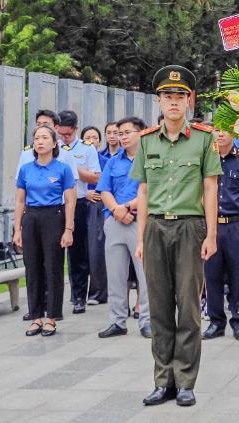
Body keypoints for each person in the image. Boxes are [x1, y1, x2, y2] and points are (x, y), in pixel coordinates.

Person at [133, 66, 221, 408]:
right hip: (156, 227)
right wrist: (141, 237)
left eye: (180, 96)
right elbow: (142, 191)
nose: (173, 102)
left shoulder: (204, 139)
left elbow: (210, 187)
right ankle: (162, 380)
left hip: (189, 227)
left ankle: (185, 381)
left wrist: (211, 234)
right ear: (159, 100)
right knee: (158, 308)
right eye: (168, 96)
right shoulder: (146, 141)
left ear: (189, 101)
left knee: (188, 308)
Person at [13, 125, 77, 337]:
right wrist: (17, 229)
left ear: (53, 143)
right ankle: (36, 317)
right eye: (36, 138)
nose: (40, 142)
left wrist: (68, 228)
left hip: (54, 217)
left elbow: (69, 201)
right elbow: (20, 201)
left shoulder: (62, 169)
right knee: (32, 268)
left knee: (53, 267)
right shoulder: (26, 169)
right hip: (31, 218)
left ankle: (52, 317)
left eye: (44, 138)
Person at [96, 116, 153, 340]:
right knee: (115, 275)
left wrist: (128, 208)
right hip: (115, 221)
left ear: (141, 133)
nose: (122, 137)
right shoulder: (113, 161)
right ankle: (117, 321)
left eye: (127, 132)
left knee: (145, 275)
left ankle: (147, 321)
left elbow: (152, 191)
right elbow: (104, 189)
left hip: (141, 222)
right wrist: (116, 210)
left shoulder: (150, 158)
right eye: (120, 133)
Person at [201, 127, 239, 341]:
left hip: (237, 224)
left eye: (226, 130)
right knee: (212, 274)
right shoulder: (207, 158)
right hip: (212, 225)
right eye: (217, 130)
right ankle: (216, 322)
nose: (221, 134)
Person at [56, 110, 103, 314]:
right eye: (61, 133)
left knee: (78, 253)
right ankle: (52, 297)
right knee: (53, 253)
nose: (64, 137)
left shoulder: (87, 149)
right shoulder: (52, 146)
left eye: (68, 134)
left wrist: (74, 170)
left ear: (75, 129)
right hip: (55, 204)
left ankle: (79, 296)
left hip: (80, 203)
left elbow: (96, 178)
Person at [82, 125, 109, 305]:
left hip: (97, 207)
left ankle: (97, 292)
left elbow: (105, 183)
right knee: (78, 251)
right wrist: (85, 194)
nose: (92, 141)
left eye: (95, 137)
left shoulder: (105, 161)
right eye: (88, 138)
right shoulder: (74, 160)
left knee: (96, 250)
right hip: (78, 204)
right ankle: (78, 292)